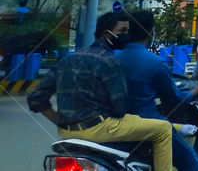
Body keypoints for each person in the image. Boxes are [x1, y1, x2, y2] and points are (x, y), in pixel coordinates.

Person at [27, 11, 175, 171]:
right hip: (98, 129)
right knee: (163, 129)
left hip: (65, 133)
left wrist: (59, 119)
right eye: (123, 31)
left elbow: (36, 97)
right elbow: (119, 109)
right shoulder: (109, 61)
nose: (127, 35)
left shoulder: (68, 60)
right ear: (106, 33)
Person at [116, 10, 198, 171]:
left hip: (116, 125)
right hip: (149, 123)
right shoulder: (156, 63)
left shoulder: (113, 60)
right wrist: (195, 92)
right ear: (151, 33)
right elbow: (174, 100)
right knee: (191, 161)